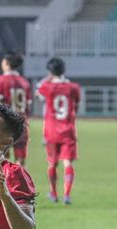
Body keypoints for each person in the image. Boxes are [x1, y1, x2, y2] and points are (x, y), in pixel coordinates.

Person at [36, 57, 81, 205]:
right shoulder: (73, 87)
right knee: (68, 163)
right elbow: (76, 105)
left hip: (51, 131)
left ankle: (54, 193)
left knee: (52, 164)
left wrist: (48, 77)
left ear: (50, 71)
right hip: (68, 130)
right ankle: (67, 194)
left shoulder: (47, 87)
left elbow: (38, 90)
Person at [0, 53, 32, 166]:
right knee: (20, 159)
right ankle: (19, 182)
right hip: (21, 123)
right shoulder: (25, 82)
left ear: (7, 64)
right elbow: (28, 106)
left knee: (3, 158)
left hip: (6, 124)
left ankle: (5, 182)